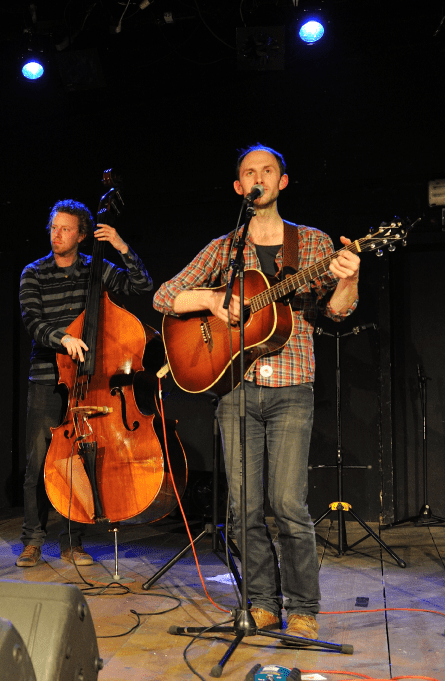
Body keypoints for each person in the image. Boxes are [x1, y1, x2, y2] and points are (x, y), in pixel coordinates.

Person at [152, 145, 360, 643]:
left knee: (287, 504)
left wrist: (349, 279)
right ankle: (262, 602)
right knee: (243, 507)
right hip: (236, 388)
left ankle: (303, 606)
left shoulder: (311, 243)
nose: (258, 178)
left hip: (292, 384)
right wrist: (212, 300)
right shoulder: (224, 248)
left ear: (282, 181)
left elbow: (336, 312)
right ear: (239, 187)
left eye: (267, 170)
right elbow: (164, 296)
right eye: (249, 172)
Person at [16, 199, 153, 568]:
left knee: (80, 459)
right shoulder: (33, 272)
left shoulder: (97, 268)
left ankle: (73, 542)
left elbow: (141, 285)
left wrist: (121, 246)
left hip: (91, 381)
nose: (57, 235)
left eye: (65, 229)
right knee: (38, 463)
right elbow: (33, 321)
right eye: (54, 228)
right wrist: (63, 338)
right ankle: (32, 540)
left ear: (81, 235)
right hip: (48, 378)